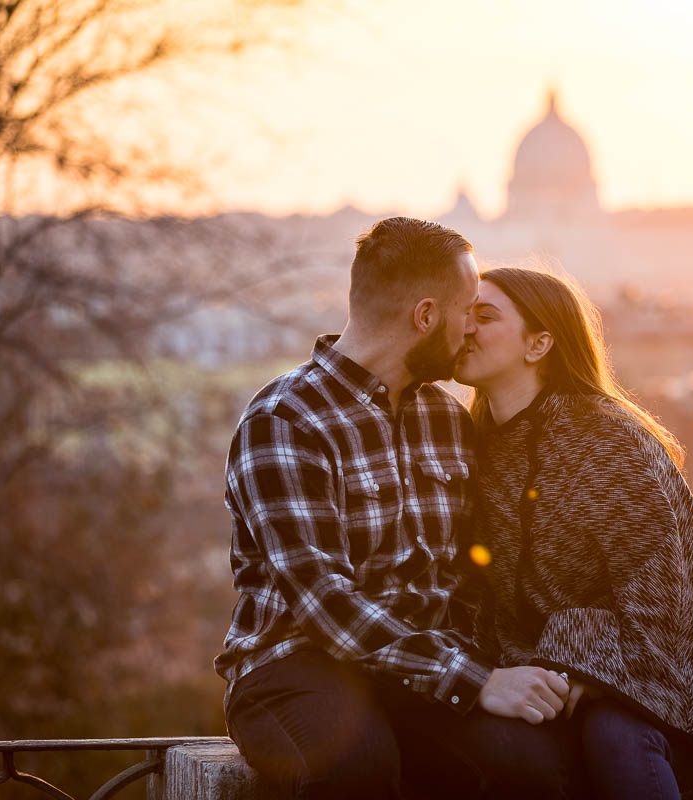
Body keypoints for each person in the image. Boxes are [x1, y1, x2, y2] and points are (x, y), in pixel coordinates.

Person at [215, 219, 582, 800]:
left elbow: (474, 568)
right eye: (469, 312)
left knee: (531, 763)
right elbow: (323, 602)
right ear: (426, 316)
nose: (473, 329)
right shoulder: (284, 421)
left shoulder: (446, 418)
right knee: (357, 768)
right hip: (297, 664)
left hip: (421, 666)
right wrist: (477, 681)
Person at [454, 267, 693, 800]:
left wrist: (575, 665)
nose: (466, 327)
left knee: (614, 735)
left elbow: (659, 600)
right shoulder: (477, 444)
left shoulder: (606, 441)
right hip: (564, 677)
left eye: (486, 315)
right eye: (464, 314)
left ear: (539, 343)